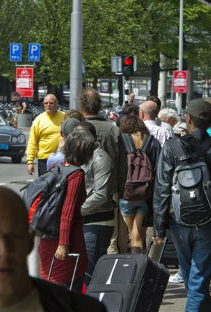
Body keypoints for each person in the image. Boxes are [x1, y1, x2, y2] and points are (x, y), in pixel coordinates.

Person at [153, 99, 211, 311]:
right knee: (198, 281)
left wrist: (158, 227)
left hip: (179, 222)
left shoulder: (172, 147)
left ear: (188, 118)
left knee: (194, 280)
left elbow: (162, 189)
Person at [39, 130, 95, 293]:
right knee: (66, 294)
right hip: (67, 244)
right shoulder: (76, 175)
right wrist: (63, 244)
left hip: (48, 238)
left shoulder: (59, 169)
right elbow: (67, 212)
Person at [79, 88, 128, 255]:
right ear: (99, 105)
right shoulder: (112, 129)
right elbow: (123, 164)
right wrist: (119, 192)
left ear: (81, 105)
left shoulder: (77, 128)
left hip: (81, 194)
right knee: (109, 244)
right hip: (108, 194)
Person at [75, 121, 115, 286]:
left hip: (97, 222)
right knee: (81, 273)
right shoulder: (81, 156)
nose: (77, 139)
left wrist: (76, 210)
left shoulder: (100, 158)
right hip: (84, 220)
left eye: (81, 135)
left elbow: (101, 194)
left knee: (90, 273)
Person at [119, 115, 161, 254]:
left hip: (126, 194)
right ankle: (142, 262)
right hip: (146, 194)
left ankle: (136, 268)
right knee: (138, 234)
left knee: (134, 235)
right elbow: (158, 169)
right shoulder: (152, 142)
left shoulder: (121, 141)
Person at [26, 94, 64, 176]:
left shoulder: (64, 117)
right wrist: (30, 162)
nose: (48, 105)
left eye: (51, 103)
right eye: (46, 103)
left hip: (61, 158)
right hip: (44, 160)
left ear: (57, 103)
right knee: (46, 186)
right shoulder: (39, 120)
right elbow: (32, 142)